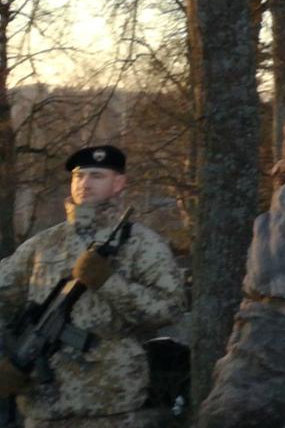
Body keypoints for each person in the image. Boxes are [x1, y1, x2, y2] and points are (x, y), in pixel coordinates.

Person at [0, 146, 185, 426]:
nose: (84, 183)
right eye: (79, 176)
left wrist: (109, 283)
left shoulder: (141, 244)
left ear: (118, 183)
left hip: (110, 403)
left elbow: (170, 309)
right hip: (43, 407)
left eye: (96, 176)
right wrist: (8, 359)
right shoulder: (42, 245)